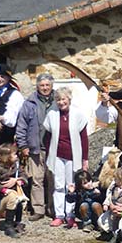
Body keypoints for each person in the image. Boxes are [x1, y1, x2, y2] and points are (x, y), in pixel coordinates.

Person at [43, 86, 89, 227]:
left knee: (71, 185)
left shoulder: (78, 115)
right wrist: (48, 154)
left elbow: (84, 139)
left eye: (63, 99)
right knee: (58, 185)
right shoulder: (52, 114)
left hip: (72, 156)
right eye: (58, 99)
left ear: (69, 99)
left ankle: (70, 215)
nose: (61, 102)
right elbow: (47, 137)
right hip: (57, 155)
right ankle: (59, 215)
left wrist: (85, 159)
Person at [15, 72, 55, 221]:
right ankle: (38, 209)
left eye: (47, 85)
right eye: (42, 85)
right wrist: (23, 145)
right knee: (37, 179)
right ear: (37, 86)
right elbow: (21, 125)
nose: (45, 88)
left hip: (54, 148)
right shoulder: (29, 103)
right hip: (35, 148)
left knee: (52, 179)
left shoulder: (58, 100)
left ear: (52, 86)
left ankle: (52, 208)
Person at [0, 143, 29, 238]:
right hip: (0, 195)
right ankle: (8, 226)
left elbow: (24, 174)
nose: (17, 156)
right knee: (12, 198)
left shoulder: (15, 165)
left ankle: (17, 222)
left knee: (18, 205)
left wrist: (20, 180)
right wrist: (3, 189)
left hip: (15, 192)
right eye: (14, 154)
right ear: (7, 157)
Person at [98, 166, 122, 243]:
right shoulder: (114, 187)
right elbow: (109, 196)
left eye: (116, 179)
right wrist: (106, 203)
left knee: (121, 226)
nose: (115, 180)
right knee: (110, 223)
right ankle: (113, 236)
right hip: (113, 210)